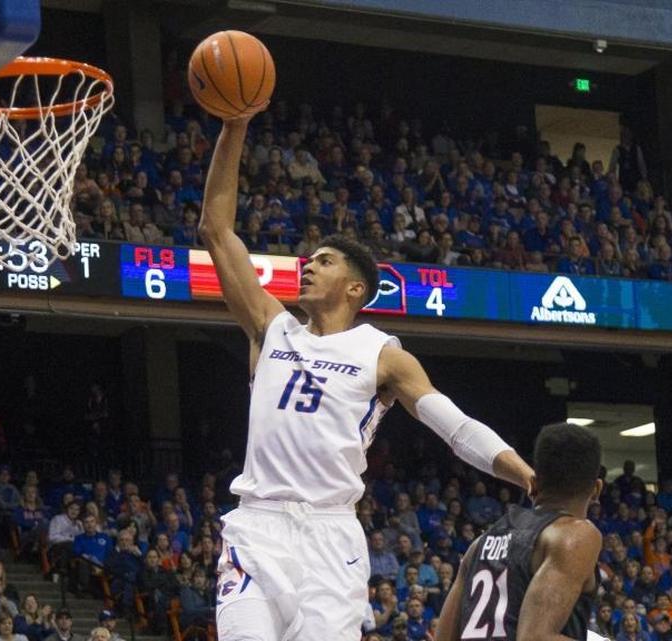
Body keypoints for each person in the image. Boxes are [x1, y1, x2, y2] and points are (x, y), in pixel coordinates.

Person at [199, 108, 533, 641]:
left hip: (331, 539)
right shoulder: (270, 327)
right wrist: (235, 125)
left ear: (355, 289)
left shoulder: (382, 354)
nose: (307, 266)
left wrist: (523, 473)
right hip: (256, 528)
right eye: (309, 260)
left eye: (324, 262)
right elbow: (215, 231)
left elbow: (455, 426)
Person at [436, 422, 603, 641]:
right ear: (597, 489)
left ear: (533, 483)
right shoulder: (576, 535)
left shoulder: (480, 543)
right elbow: (535, 638)